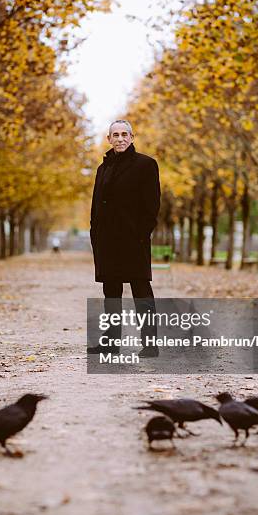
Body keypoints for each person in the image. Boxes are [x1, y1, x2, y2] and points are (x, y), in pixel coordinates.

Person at [87, 119, 161, 358]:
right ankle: (110, 343)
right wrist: (95, 234)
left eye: (124, 134)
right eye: (115, 135)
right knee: (111, 295)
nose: (120, 139)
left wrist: (141, 236)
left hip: (134, 242)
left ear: (132, 137)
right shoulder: (103, 168)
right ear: (109, 139)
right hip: (107, 243)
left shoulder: (146, 165)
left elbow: (152, 206)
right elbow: (96, 206)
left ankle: (150, 345)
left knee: (141, 293)